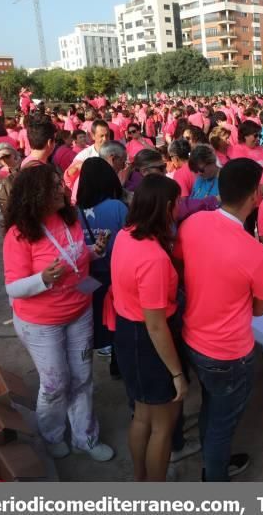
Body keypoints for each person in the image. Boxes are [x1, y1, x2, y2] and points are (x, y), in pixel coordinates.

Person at [2, 163, 114, 462]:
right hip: (41, 323)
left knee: (82, 376)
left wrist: (93, 250)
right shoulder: (19, 234)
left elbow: (73, 255)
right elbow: (13, 288)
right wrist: (43, 279)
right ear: (36, 195)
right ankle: (51, 434)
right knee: (54, 384)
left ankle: (85, 438)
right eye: (54, 187)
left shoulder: (70, 218)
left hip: (79, 311)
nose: (62, 189)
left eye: (60, 184)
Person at [173, 158, 263, 481]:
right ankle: (213, 478)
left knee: (210, 407)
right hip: (230, 353)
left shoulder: (192, 224)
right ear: (254, 197)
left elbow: (179, 266)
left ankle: (211, 462)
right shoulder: (256, 253)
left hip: (193, 340)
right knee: (222, 422)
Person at [110, 175, 186, 481]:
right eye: (178, 202)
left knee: (142, 416)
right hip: (148, 341)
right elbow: (156, 326)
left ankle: (141, 480)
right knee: (163, 426)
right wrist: (177, 374)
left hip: (128, 334)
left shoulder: (125, 235)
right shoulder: (153, 258)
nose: (180, 207)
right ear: (167, 207)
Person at [77, 157, 127, 379]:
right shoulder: (118, 207)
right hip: (115, 275)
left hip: (88, 277)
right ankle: (117, 364)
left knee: (93, 318)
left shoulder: (74, 212)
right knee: (117, 321)